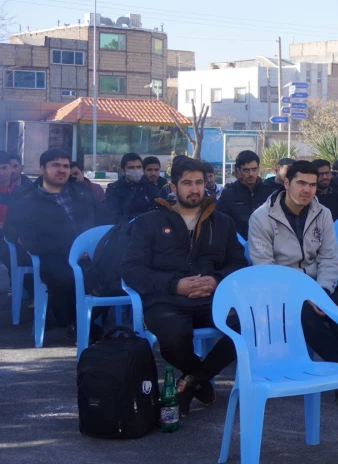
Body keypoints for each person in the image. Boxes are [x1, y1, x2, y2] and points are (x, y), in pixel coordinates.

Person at [119, 157, 247, 417]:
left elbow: (238, 262)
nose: (194, 189)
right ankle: (199, 381)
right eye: (187, 183)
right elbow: (131, 269)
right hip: (166, 299)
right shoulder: (148, 223)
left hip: (213, 297)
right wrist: (175, 285)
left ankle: (192, 382)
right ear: (173, 187)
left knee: (250, 325)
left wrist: (217, 280)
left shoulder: (221, 222)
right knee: (174, 339)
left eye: (199, 182)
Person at [247, 160, 338, 405]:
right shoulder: (261, 218)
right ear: (286, 183)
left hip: (318, 287)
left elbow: (330, 257)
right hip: (279, 295)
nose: (307, 190)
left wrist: (320, 292)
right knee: (308, 318)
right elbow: (264, 268)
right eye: (301, 183)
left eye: (312, 185)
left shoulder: (322, 213)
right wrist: (302, 296)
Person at [6, 149, 111, 333]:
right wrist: (74, 249)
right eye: (55, 165)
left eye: (65, 166)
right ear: (42, 169)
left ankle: (76, 322)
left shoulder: (81, 192)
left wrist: (98, 245)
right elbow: (14, 230)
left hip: (93, 254)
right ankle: (74, 322)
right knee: (68, 278)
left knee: (116, 277)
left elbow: (105, 219)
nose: (62, 170)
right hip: (55, 256)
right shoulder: (28, 199)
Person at [216, 150, 277, 239]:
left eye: (254, 169)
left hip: (266, 244)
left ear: (258, 169)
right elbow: (219, 222)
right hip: (238, 247)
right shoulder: (228, 194)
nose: (251, 174)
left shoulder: (270, 192)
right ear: (239, 170)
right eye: (246, 170)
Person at [105, 152, 159, 222]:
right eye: (131, 168)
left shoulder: (151, 189)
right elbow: (113, 218)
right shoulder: (113, 190)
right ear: (123, 171)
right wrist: (139, 217)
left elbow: (157, 214)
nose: (136, 170)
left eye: (138, 167)